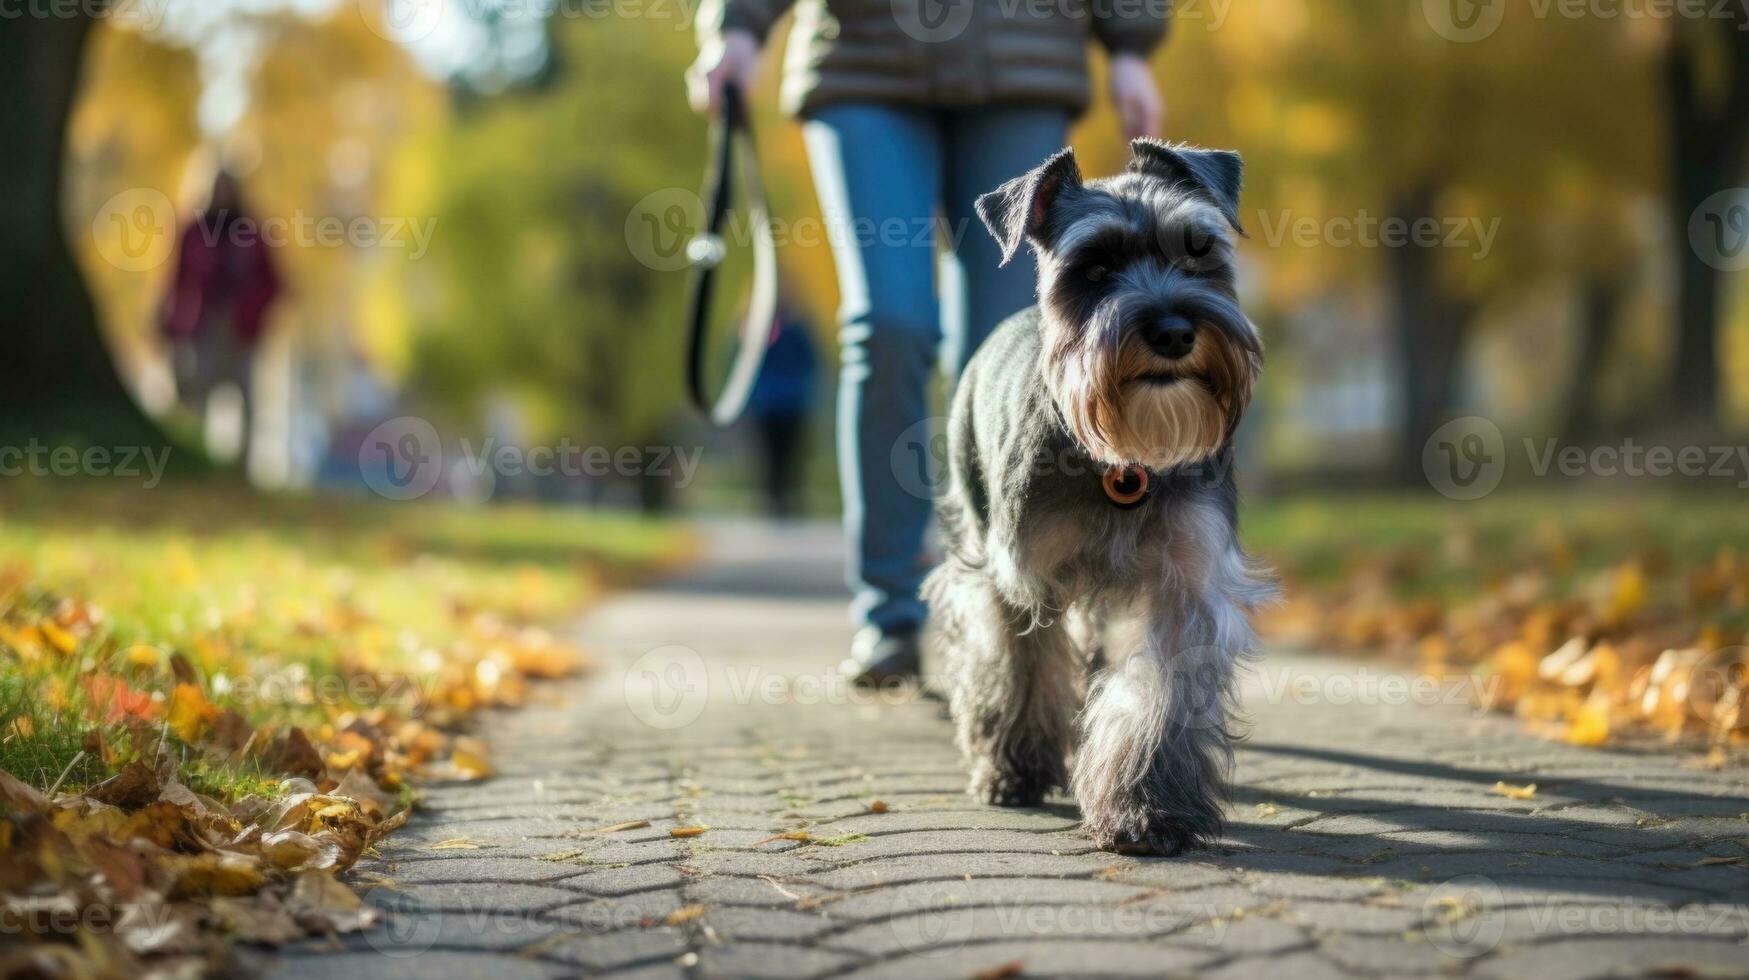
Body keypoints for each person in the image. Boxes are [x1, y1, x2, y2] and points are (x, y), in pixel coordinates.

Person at [688, 0, 1171, 683]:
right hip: (862, 61)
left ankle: (1026, 614)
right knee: (888, 324)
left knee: (1010, 351)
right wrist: (737, 28)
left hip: (1023, 57)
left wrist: (1130, 41)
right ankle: (887, 613)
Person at [161, 169, 281, 466]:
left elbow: (274, 283)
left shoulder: (252, 233)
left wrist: (252, 310)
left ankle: (243, 467)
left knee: (247, 400)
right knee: (196, 394)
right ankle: (195, 459)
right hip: (203, 327)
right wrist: (170, 322)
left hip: (241, 329)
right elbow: (177, 281)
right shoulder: (194, 232)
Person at [745, 309, 819, 519]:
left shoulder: (795, 331)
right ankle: (775, 499)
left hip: (789, 403)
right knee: (772, 454)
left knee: (788, 454)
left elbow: (809, 361)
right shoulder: (755, 329)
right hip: (769, 404)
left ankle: (785, 498)